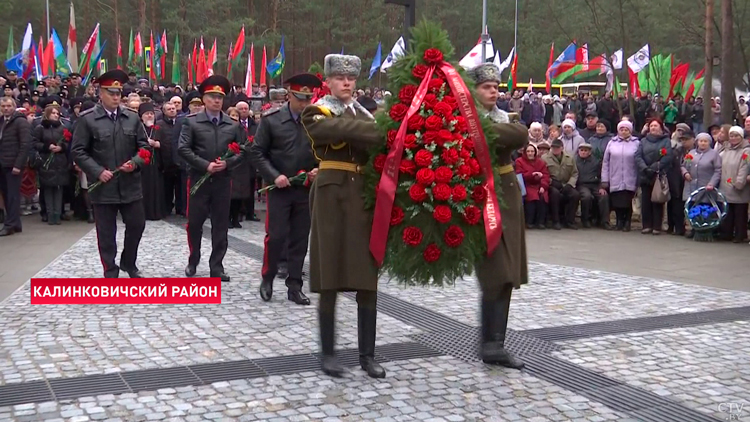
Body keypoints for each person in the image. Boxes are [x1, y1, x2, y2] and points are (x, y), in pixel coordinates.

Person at [301, 54, 385, 378]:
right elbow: (326, 131)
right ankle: (328, 354)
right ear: (329, 80)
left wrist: (364, 131)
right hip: (331, 193)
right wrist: (365, 132)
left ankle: (368, 355)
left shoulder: (364, 113)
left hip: (362, 194)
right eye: (339, 78)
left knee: (367, 275)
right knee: (329, 273)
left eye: (350, 78)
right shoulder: (316, 110)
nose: (346, 83)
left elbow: (377, 140)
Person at [468, 63, 530, 369]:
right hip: (482, 200)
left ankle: (496, 343)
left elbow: (520, 136)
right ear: (473, 91)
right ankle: (489, 345)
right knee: (495, 275)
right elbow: (510, 134)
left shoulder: (502, 118)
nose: (493, 91)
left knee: (508, 277)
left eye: (496, 87)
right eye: (486, 87)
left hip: (506, 198)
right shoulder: (466, 121)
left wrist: (496, 130)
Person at [249, 73, 321, 306]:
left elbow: (324, 151)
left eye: (309, 98)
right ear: (289, 95)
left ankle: (295, 285)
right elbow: (257, 152)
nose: (305, 103)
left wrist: (318, 168)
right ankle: (268, 278)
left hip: (305, 189)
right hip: (280, 188)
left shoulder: (316, 121)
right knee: (277, 236)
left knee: (300, 239)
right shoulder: (271, 120)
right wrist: (274, 175)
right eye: (301, 98)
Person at [71, 69, 149, 278]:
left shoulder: (131, 118)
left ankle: (128, 262)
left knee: (137, 225)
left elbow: (144, 148)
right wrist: (97, 171)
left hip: (130, 184)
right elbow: (78, 151)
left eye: (118, 93)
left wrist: (134, 163)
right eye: (111, 93)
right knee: (106, 233)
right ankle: (110, 269)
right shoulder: (88, 120)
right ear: (101, 93)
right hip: (104, 187)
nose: (116, 97)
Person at [178, 75, 248, 282]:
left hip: (222, 181)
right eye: (212, 96)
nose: (216, 100)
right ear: (204, 98)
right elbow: (183, 148)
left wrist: (228, 163)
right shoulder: (192, 122)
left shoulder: (232, 125)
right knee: (195, 223)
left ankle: (216, 265)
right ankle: (194, 259)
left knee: (220, 224)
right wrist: (204, 164)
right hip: (199, 178)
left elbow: (243, 151)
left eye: (220, 97)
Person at [32, 97, 70, 225]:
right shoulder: (40, 128)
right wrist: (47, 147)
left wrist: (62, 147)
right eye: (53, 113)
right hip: (46, 162)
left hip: (60, 162)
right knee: (48, 189)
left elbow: (68, 142)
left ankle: (57, 214)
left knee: (59, 189)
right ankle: (49, 214)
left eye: (57, 113)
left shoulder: (63, 128)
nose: (55, 115)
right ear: (47, 114)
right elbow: (35, 143)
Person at [635, 119, 673, 235]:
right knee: (645, 200)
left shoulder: (666, 141)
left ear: (661, 128)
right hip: (645, 174)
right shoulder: (643, 141)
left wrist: (655, 167)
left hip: (658, 174)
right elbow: (638, 156)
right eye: (651, 126)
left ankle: (657, 226)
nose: (653, 128)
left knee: (657, 200)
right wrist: (645, 168)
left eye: (656, 126)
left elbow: (667, 156)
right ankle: (646, 225)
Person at [681, 132, 722, 238]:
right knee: (692, 207)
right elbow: (683, 165)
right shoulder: (692, 153)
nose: (703, 143)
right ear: (697, 142)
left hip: (706, 186)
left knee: (704, 208)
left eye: (705, 141)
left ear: (709, 143)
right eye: (701, 141)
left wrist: (712, 183)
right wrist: (685, 173)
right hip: (691, 185)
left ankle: (705, 229)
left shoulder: (714, 154)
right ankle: (693, 228)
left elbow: (718, 170)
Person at [601, 121, 640, 232]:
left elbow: (639, 160)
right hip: (615, 176)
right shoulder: (612, 142)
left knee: (628, 200)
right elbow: (605, 162)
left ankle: (627, 222)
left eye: (626, 129)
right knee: (617, 200)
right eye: (621, 129)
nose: (623, 131)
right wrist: (604, 179)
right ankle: (619, 221)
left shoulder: (636, 143)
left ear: (630, 131)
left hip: (630, 176)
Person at [718, 126, 750, 243]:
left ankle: (740, 234)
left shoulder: (746, 151)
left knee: (739, 212)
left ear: (741, 137)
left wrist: (739, 182)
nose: (734, 138)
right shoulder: (725, 150)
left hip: (738, 186)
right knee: (728, 211)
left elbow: (745, 167)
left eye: (736, 136)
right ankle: (727, 233)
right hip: (725, 185)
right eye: (732, 136)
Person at [137, 103, 167, 221]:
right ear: (141, 116)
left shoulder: (159, 128)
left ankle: (156, 212)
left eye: (151, 114)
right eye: (146, 114)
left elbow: (167, 144)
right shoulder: (138, 128)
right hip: (142, 165)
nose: (149, 116)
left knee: (156, 188)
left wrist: (158, 144)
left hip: (156, 165)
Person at [515, 144, 549, 229]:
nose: (530, 153)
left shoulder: (541, 162)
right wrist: (532, 174)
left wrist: (543, 186)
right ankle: (530, 221)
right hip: (526, 184)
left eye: (532, 151)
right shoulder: (519, 161)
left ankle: (541, 222)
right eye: (528, 151)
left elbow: (546, 175)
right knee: (532, 198)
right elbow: (519, 174)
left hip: (539, 184)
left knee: (543, 197)